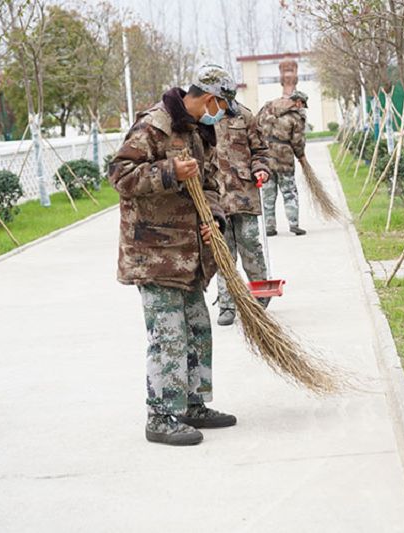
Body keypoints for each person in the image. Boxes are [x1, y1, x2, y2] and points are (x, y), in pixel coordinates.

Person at [108, 64, 238, 446]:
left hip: (189, 255)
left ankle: (192, 403)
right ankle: (161, 415)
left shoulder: (200, 131)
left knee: (197, 329)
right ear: (211, 98)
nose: (222, 114)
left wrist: (212, 218)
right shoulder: (154, 125)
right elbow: (119, 175)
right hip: (155, 253)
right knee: (168, 337)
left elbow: (210, 183)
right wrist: (168, 172)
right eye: (222, 106)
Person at [214, 101, 272, 326]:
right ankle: (227, 303)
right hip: (216, 196)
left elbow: (260, 151)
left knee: (249, 242)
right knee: (223, 250)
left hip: (244, 194)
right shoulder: (201, 119)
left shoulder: (244, 116)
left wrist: (261, 169)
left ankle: (260, 295)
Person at [256, 89, 308, 236]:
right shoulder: (296, 117)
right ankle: (293, 224)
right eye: (302, 105)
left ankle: (269, 227)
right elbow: (298, 141)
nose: (302, 108)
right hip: (284, 158)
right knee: (289, 191)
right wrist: (301, 156)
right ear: (298, 101)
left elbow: (255, 126)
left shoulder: (267, 107)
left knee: (268, 193)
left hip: (266, 156)